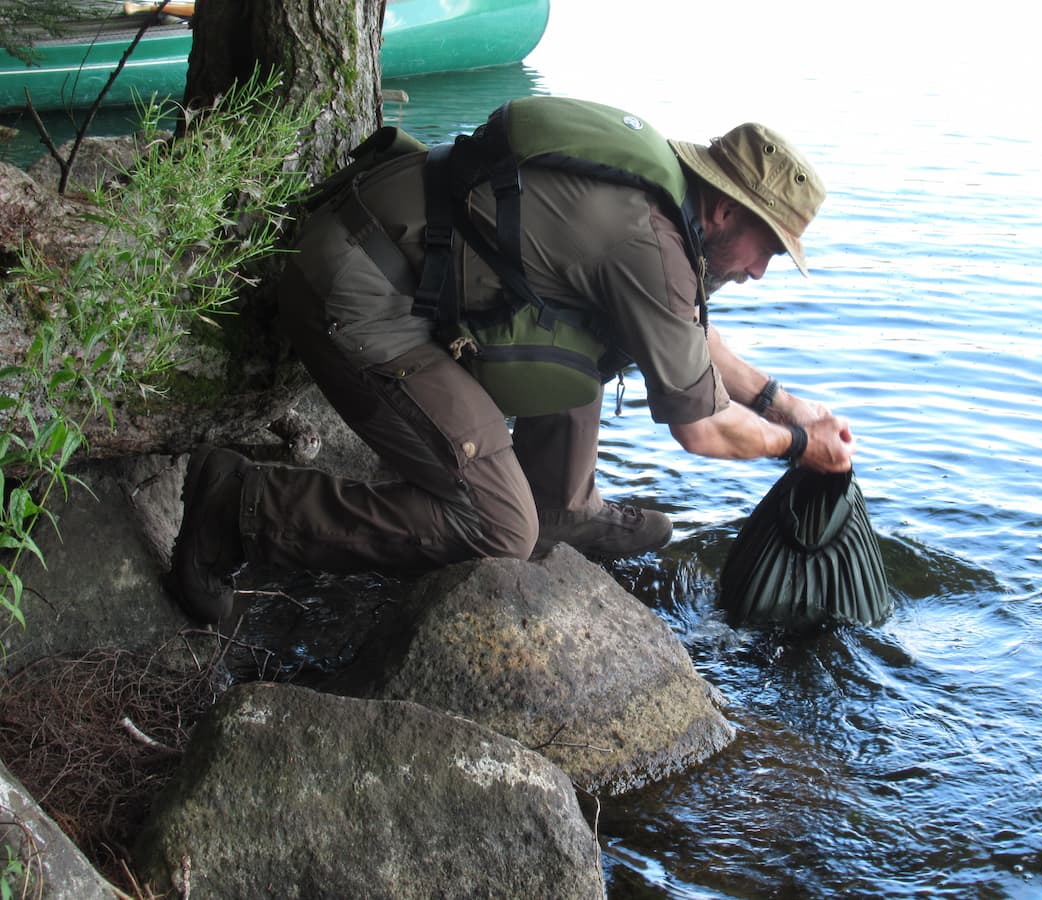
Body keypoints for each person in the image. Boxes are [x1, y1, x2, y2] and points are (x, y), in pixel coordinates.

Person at [164, 99, 857, 624]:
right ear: (726, 211)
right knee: (497, 526)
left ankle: (562, 508)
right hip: (359, 291)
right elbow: (701, 427)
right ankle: (240, 506)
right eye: (767, 247)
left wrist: (780, 402)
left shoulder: (661, 200)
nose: (762, 272)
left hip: (399, 261)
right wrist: (796, 446)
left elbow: (681, 336)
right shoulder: (651, 243)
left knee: (594, 337)